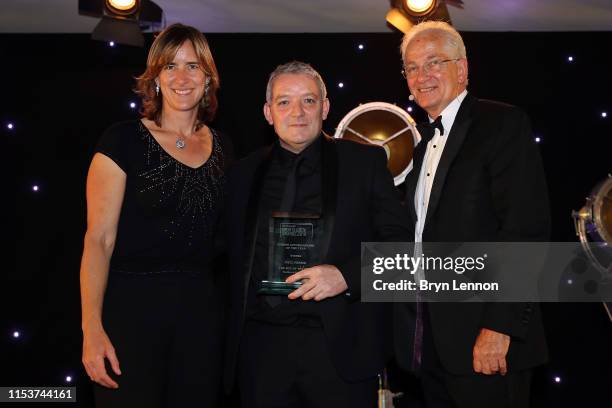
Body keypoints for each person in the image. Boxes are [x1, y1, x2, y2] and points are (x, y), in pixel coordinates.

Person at [222, 61, 411, 407]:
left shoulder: (365, 163)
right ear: (268, 112)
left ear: (324, 108)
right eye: (284, 102)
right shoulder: (241, 174)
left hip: (339, 348)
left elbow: (402, 247)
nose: (297, 112)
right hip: (260, 351)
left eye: (308, 101)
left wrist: (346, 276)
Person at [394, 21, 550, 408]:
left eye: (433, 63)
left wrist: (499, 326)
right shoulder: (421, 147)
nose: (421, 76)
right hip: (431, 346)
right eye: (412, 67)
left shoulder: (501, 124)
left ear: (462, 69)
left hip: (488, 343)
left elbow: (525, 231)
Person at [80, 23, 229, 407]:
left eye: (193, 66)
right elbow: (99, 240)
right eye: (170, 66)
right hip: (130, 314)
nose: (182, 77)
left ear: (208, 78)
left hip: (200, 319)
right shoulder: (122, 140)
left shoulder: (227, 149)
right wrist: (91, 328)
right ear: (156, 78)